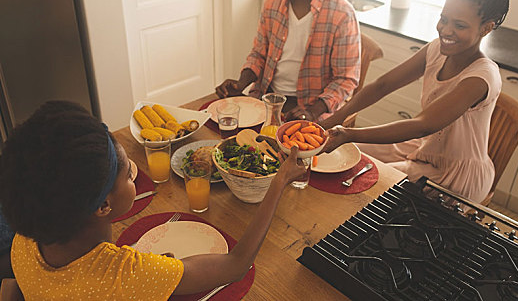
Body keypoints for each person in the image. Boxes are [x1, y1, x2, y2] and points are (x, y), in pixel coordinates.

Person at [0, 100, 306, 299]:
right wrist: (279, 181)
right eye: (128, 176)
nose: (135, 173)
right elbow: (235, 265)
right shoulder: (125, 277)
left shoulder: (24, 243)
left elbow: (16, 291)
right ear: (103, 206)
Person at [320, 0, 516, 203]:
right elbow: (383, 85)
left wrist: (349, 134)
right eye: (444, 19)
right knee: (346, 154)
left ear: (486, 28)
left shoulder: (482, 75)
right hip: (425, 148)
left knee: (363, 182)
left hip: (457, 175)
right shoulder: (436, 50)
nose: (445, 30)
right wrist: (331, 122)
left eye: (460, 25)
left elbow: (424, 124)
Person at [215, 0, 360, 122]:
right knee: (223, 129)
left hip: (313, 107)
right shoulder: (273, 1)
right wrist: (240, 84)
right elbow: (259, 53)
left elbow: (345, 79)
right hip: (267, 98)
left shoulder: (343, 13)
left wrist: (313, 112)